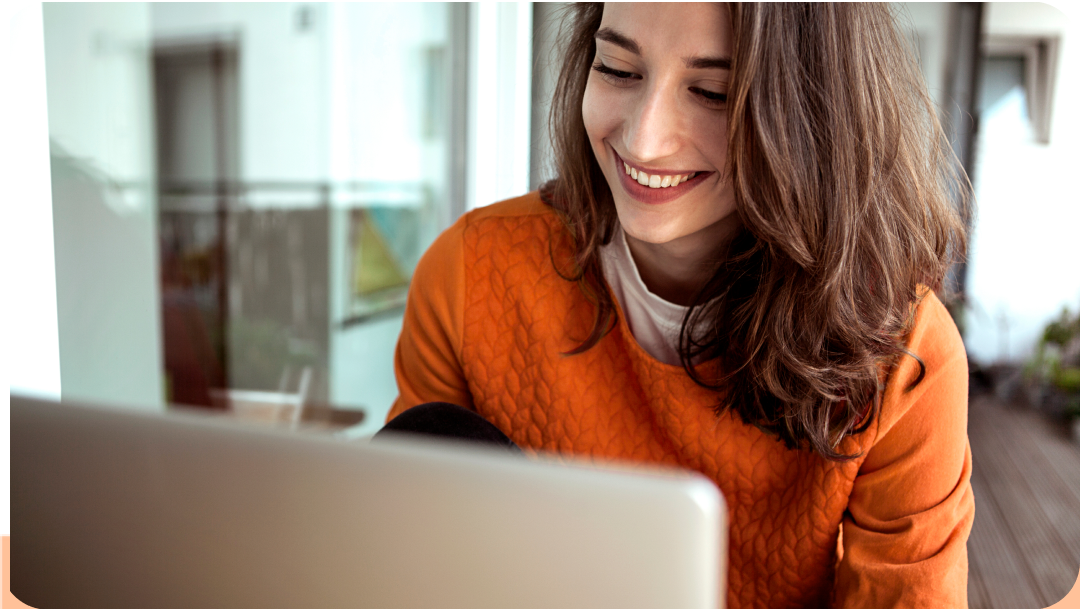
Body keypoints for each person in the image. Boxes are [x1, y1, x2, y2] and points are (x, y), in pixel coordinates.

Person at [384, 3, 974, 608]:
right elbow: (397, 561)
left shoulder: (902, 357)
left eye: (713, 92)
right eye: (617, 69)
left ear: (816, 115)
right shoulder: (469, 274)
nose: (643, 139)